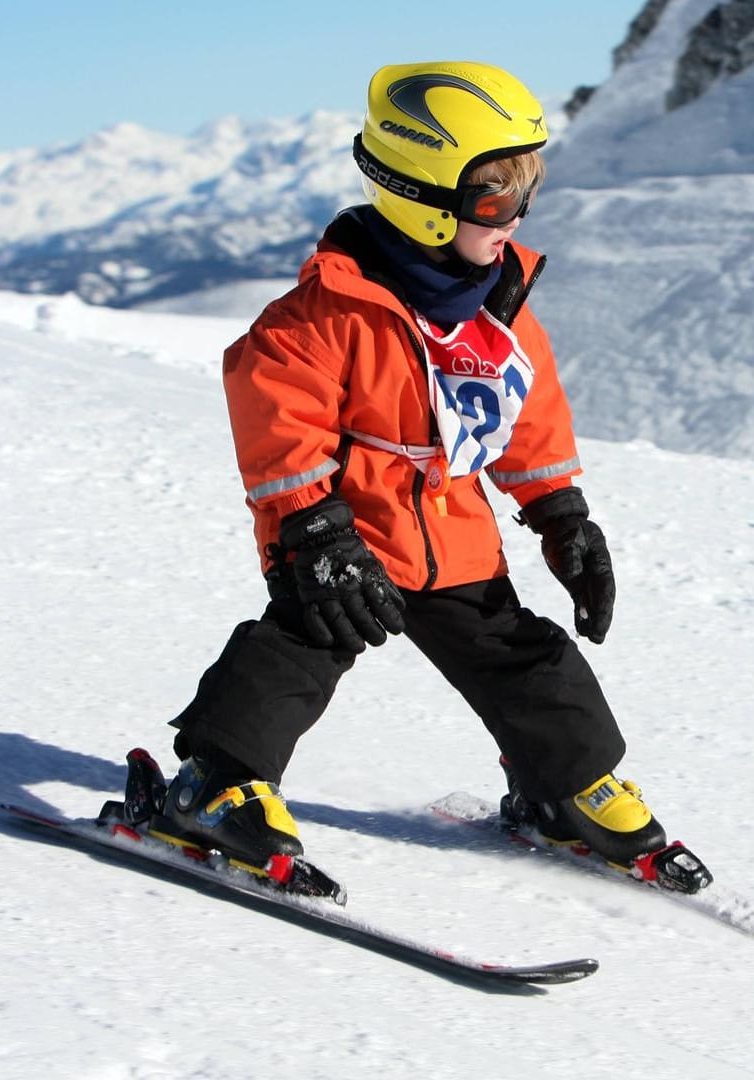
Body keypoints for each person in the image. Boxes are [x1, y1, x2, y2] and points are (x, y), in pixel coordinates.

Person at [151, 60, 672, 878]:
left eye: (525, 196)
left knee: (523, 657)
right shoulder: (329, 312)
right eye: (494, 200)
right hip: (348, 538)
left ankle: (564, 786)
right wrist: (312, 525)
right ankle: (214, 783)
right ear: (425, 201)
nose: (515, 218)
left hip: (455, 536)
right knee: (298, 646)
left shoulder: (498, 306)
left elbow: (524, 417)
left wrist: (562, 516)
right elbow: (274, 406)